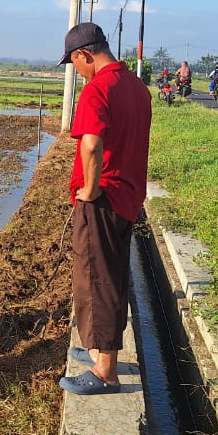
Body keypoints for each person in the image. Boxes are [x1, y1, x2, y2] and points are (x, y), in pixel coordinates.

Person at [57, 22, 152, 395]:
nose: (76, 71)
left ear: (84, 55)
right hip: (128, 197)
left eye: (74, 64)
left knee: (98, 278)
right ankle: (100, 352)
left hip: (104, 198)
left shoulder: (99, 89)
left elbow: (92, 146)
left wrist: (90, 190)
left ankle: (105, 372)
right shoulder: (136, 87)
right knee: (110, 273)